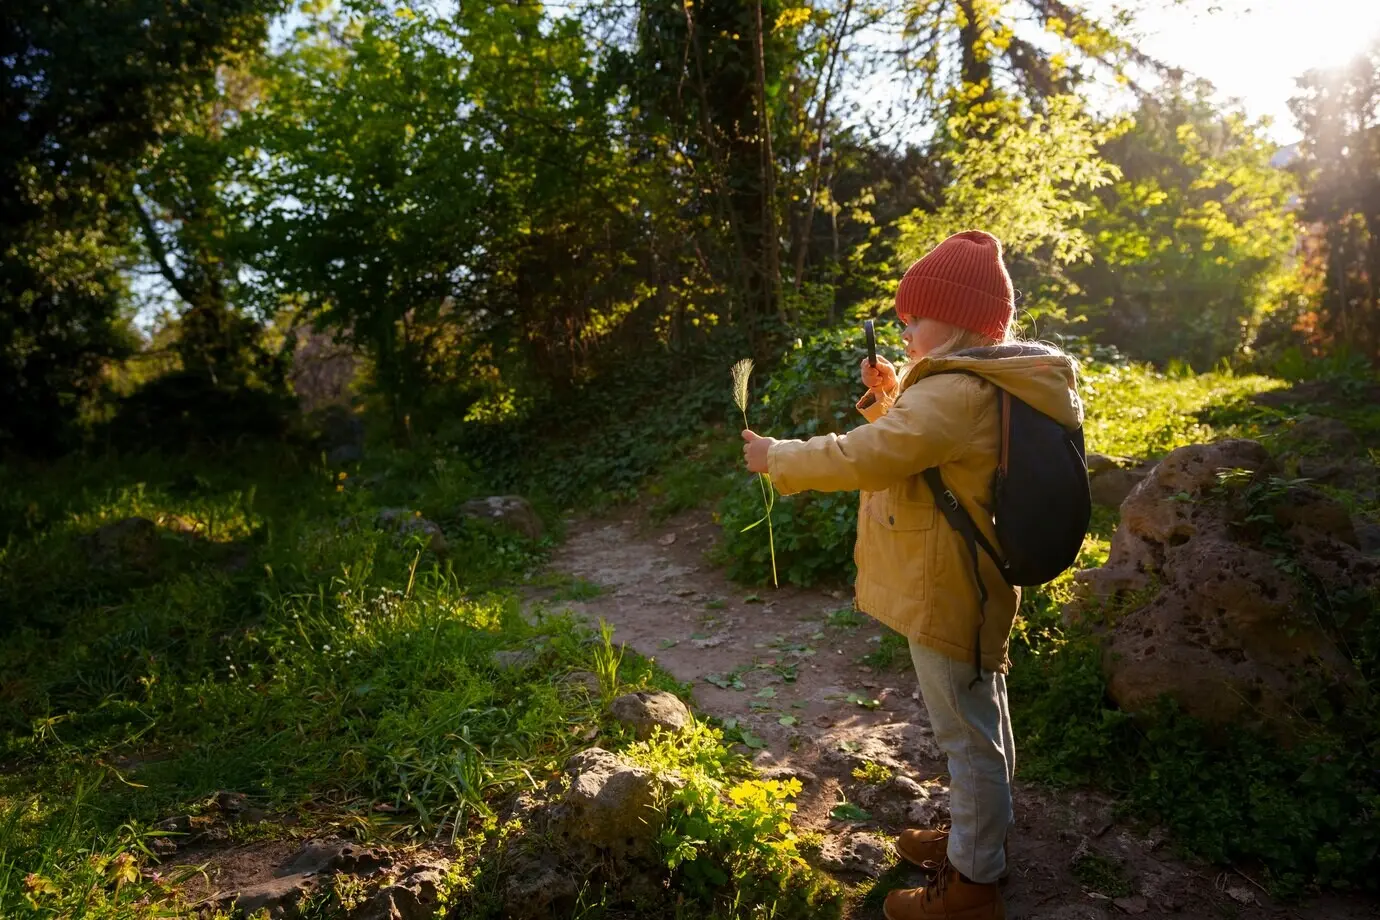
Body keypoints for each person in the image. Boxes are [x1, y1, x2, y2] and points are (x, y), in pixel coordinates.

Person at [741, 230, 1083, 920]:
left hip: (948, 587)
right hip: (974, 580)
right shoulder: (985, 383)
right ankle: (980, 837)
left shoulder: (957, 392)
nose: (902, 328)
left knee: (965, 733)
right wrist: (890, 394)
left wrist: (781, 456)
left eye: (914, 318)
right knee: (982, 716)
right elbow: (923, 445)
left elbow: (873, 456)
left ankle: (972, 885)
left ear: (956, 322)